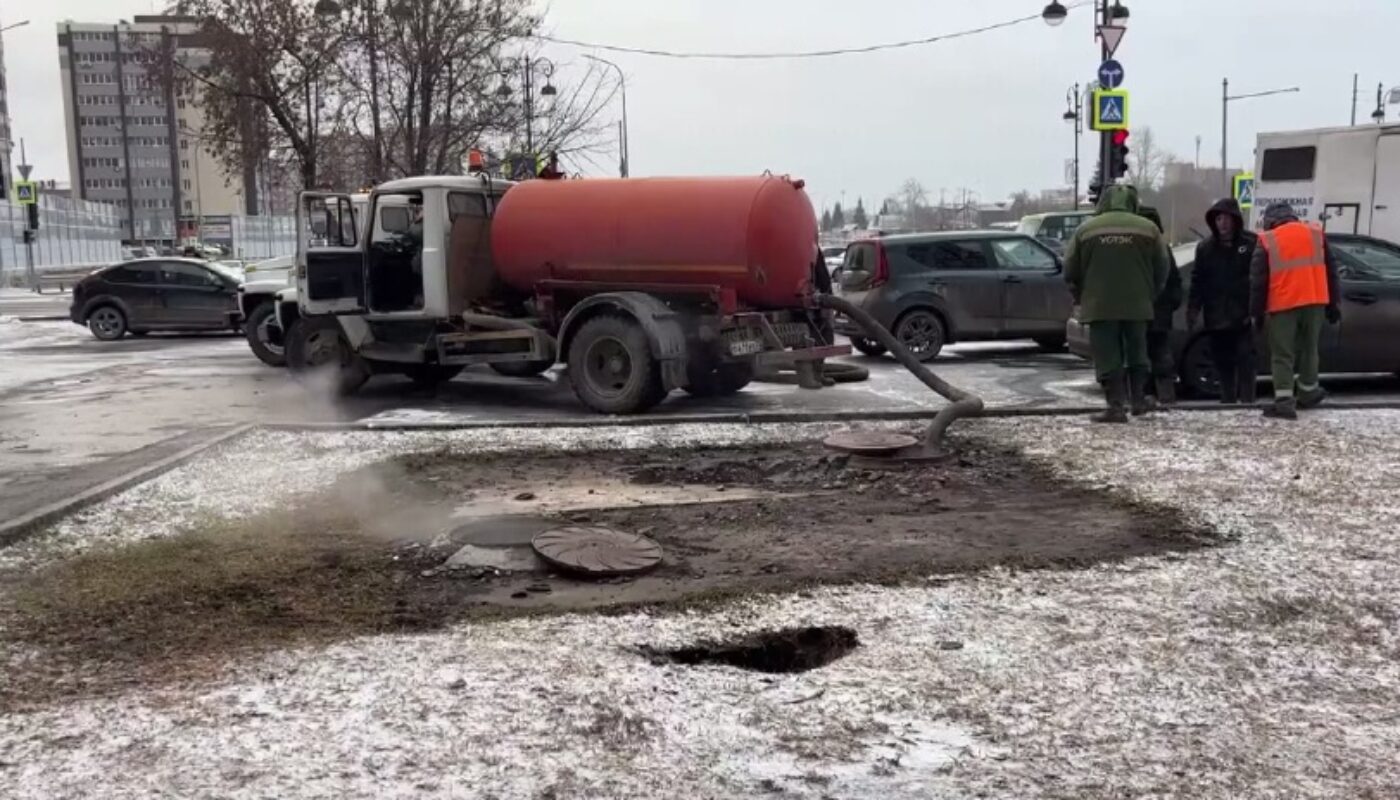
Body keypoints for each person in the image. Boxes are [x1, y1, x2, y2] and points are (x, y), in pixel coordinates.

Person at [1064, 184, 1171, 423]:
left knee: (1107, 355)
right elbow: (1163, 267)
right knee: (1137, 352)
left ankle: (1115, 406)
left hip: (1099, 305)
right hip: (1138, 304)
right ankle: (1139, 400)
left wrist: (1080, 294)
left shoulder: (1086, 230)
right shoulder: (1149, 229)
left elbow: (1070, 269)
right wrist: (1150, 293)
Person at [1248, 202, 1342, 420]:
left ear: (1270, 220)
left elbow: (1258, 281)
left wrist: (1256, 313)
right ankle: (1308, 392)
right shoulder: (1315, 233)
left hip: (1284, 304)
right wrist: (1334, 303)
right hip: (1315, 300)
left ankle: (1284, 402)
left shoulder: (1267, 239)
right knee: (1309, 349)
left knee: (1283, 354)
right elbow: (1332, 271)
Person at [1188, 198, 1259, 404]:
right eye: (1219, 219)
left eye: (1227, 218)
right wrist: (1193, 308)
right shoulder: (1205, 248)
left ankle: (1248, 401)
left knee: (1246, 360)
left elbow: (1259, 277)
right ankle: (1227, 400)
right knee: (1222, 361)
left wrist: (1256, 308)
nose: (1223, 223)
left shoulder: (1250, 243)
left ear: (1235, 220)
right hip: (1216, 315)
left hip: (1244, 315)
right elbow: (1198, 280)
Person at [1138, 206, 1183, 405]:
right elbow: (1175, 281)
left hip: (1148, 312)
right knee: (1159, 356)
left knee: (1148, 356)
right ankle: (1162, 396)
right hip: (1156, 312)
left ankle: (1148, 397)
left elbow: (1173, 281)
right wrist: (1170, 304)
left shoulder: (1140, 248)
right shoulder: (1162, 248)